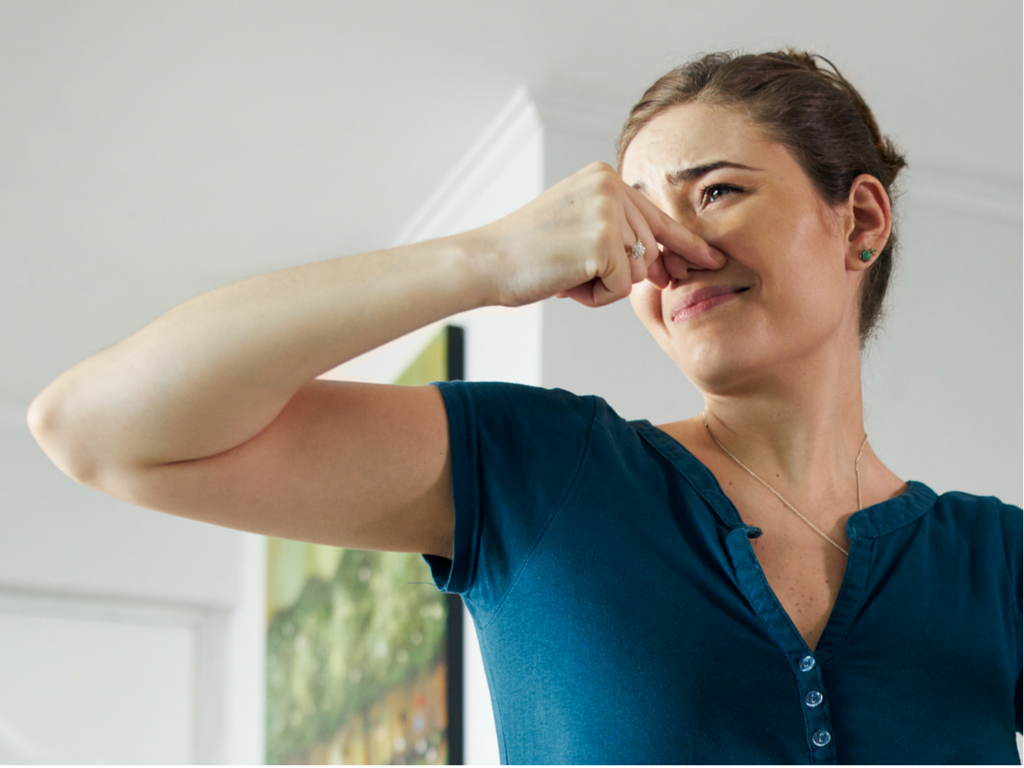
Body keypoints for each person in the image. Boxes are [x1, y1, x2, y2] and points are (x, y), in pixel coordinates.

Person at [27, 49, 1021, 763]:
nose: (670, 254)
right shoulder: (543, 471)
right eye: (640, 227)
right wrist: (490, 258)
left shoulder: (997, 563)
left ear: (859, 220)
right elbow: (97, 429)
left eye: (715, 191)